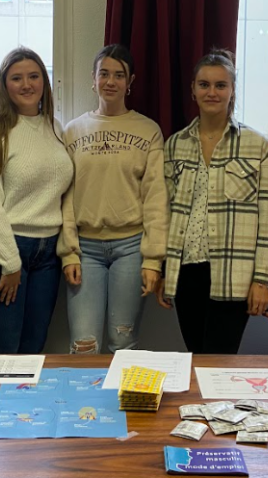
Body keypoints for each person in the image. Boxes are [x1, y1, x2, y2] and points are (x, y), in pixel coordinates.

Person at [157, 48, 268, 354]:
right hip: (187, 273)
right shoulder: (174, 145)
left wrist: (263, 279)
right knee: (196, 359)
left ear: (232, 91)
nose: (212, 92)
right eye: (204, 84)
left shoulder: (258, 147)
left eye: (220, 85)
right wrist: (163, 271)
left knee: (220, 361)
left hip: (233, 275)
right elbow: (164, 214)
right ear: (193, 90)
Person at [62, 44, 167, 354]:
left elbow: (156, 199)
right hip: (85, 251)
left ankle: (121, 404)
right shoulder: (73, 131)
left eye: (119, 75)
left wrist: (153, 260)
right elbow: (65, 197)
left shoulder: (148, 131)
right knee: (84, 345)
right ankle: (86, 404)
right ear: (92, 80)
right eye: (104, 74)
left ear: (130, 81)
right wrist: (68, 252)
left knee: (123, 341)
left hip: (131, 249)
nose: (111, 81)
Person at [0, 47, 75, 354]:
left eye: (33, 76)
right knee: (1, 348)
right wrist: (10, 262)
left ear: (44, 81)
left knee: (32, 348)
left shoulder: (55, 128)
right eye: (16, 78)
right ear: (4, 85)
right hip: (4, 251)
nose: (26, 84)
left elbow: (62, 193)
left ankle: (22, 405)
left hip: (47, 255)